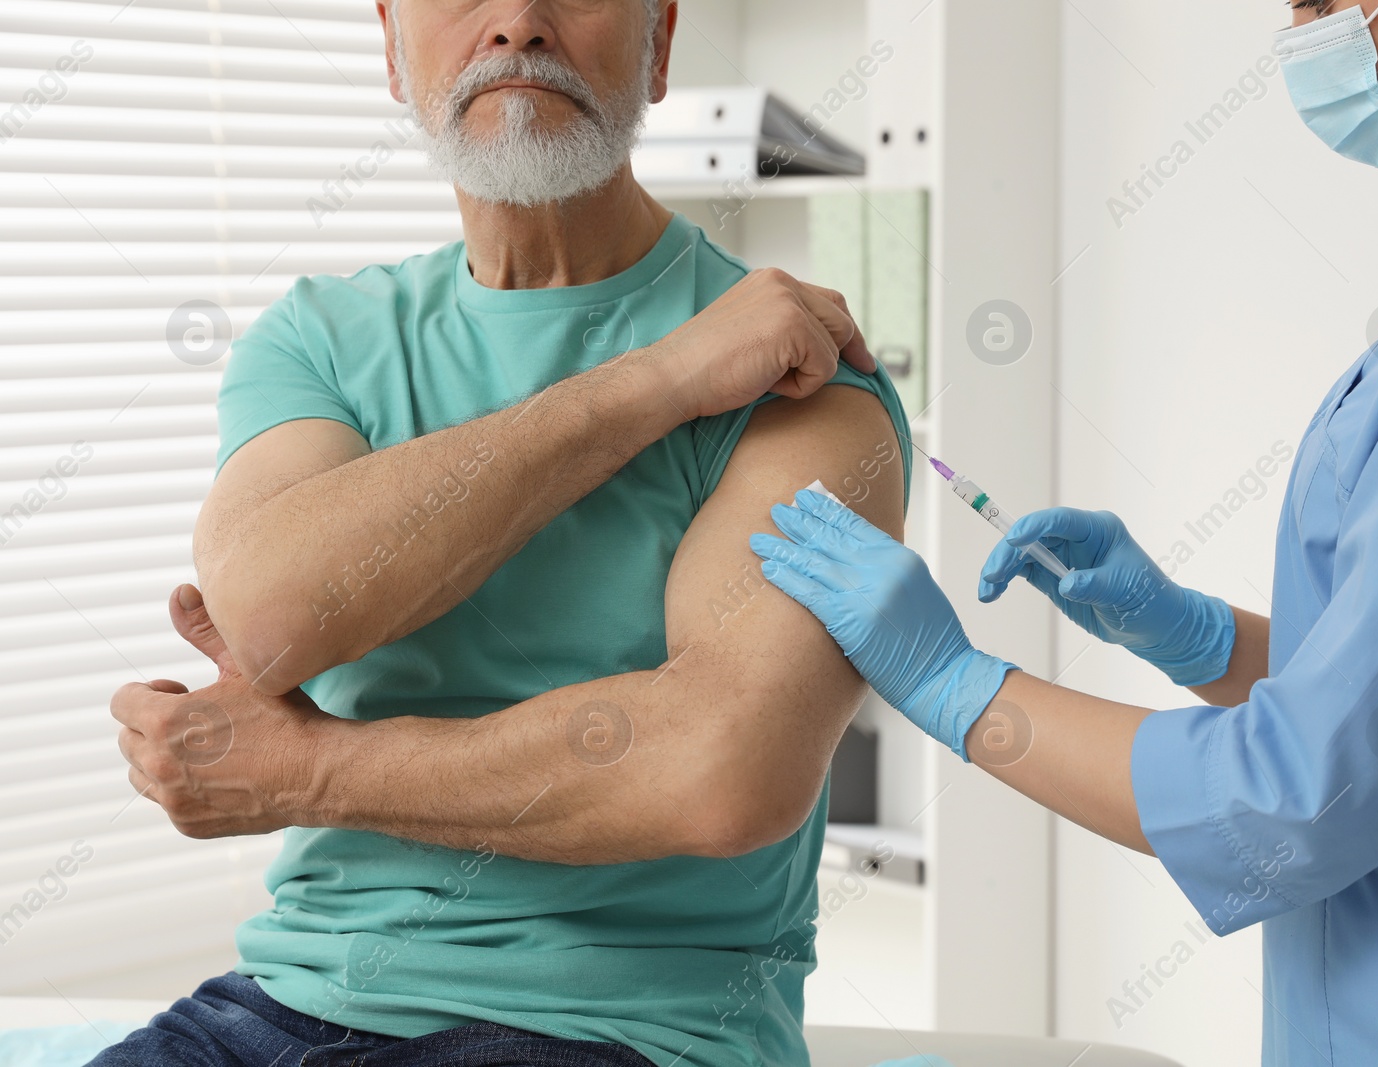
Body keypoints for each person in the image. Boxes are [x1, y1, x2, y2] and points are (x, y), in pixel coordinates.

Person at [752, 0, 1378, 1063]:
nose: (1298, 37)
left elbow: (1304, 791)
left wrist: (959, 686)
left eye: (1320, 5)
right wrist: (1197, 636)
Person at [99, 1, 912, 1066]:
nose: (517, 23)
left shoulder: (800, 375)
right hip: (278, 1006)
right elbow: (270, 613)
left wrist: (307, 773)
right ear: (393, 46)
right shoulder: (324, 338)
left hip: (617, 1032)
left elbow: (720, 772)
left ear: (659, 44)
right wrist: (656, 381)